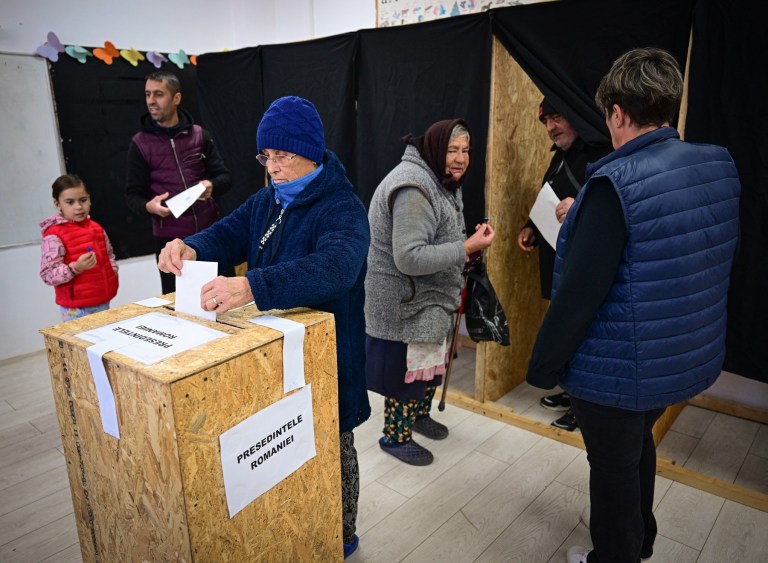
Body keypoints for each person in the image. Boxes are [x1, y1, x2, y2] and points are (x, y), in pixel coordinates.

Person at [525, 48, 740, 563]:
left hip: (621, 369)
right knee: (637, 447)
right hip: (682, 354)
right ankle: (642, 540)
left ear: (617, 113)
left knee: (613, 471)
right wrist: (591, 216)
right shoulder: (716, 163)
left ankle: (616, 554)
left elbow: (578, 297)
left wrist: (543, 366)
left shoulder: (614, 185)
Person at [156, 96, 371, 559]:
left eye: (282, 155)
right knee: (287, 448)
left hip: (330, 359)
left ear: (310, 152)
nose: (272, 166)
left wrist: (252, 285)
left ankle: (342, 535)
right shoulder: (266, 200)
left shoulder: (341, 207)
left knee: (335, 447)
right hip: (275, 353)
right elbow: (225, 233)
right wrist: (190, 247)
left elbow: (337, 268)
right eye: (265, 156)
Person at [365, 119, 495, 466]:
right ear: (436, 148)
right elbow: (409, 257)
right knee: (407, 375)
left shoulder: (440, 180)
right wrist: (466, 247)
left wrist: (466, 247)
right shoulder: (413, 188)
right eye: (452, 149)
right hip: (407, 303)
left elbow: (444, 238)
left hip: (430, 300)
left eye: (466, 150)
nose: (460, 158)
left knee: (430, 366)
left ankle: (418, 418)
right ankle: (395, 436)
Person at [518, 98, 611, 432]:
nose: (551, 127)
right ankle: (572, 393)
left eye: (558, 117)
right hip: (560, 260)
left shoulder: (601, 156)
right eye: (546, 121)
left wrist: (581, 207)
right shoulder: (561, 157)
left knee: (583, 331)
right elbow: (549, 196)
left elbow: (608, 214)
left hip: (584, 269)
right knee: (566, 328)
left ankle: (583, 405)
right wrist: (530, 226)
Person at [125, 70, 232, 295]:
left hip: (210, 233)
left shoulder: (200, 135)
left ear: (176, 98)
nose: (151, 101)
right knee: (180, 307)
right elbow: (132, 195)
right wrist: (149, 207)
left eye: (158, 94)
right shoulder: (140, 143)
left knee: (225, 302)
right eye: (147, 94)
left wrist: (211, 186)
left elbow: (225, 178)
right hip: (170, 242)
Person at [40, 174, 119, 321]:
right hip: (76, 310)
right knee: (82, 343)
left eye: (83, 200)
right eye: (70, 202)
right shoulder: (54, 235)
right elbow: (47, 275)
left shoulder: (97, 228)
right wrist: (75, 267)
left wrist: (113, 271)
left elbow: (109, 255)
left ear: (89, 199)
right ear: (58, 204)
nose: (78, 207)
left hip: (103, 301)